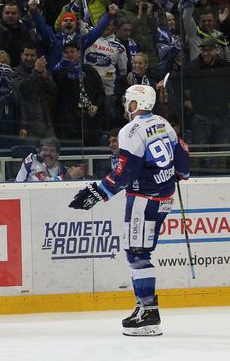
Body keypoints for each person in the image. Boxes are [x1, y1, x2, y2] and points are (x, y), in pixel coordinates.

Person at [69, 85, 190, 336]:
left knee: (138, 253)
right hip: (164, 198)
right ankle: (143, 308)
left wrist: (98, 192)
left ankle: (148, 313)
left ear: (135, 103)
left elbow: (125, 173)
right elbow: (183, 163)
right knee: (141, 251)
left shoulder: (130, 131)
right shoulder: (164, 123)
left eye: (128, 101)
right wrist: (178, 174)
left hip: (143, 199)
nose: (126, 105)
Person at [14, 137, 84, 182]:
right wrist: (69, 176)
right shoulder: (32, 162)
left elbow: (69, 174)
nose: (48, 153)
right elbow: (43, 182)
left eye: (52, 151)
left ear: (58, 154)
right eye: (45, 150)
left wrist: (77, 173)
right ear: (39, 152)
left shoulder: (59, 166)